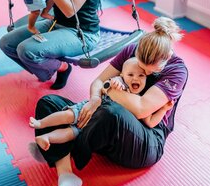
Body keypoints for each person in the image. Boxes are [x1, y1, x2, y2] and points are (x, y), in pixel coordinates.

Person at [31, 17, 188, 186]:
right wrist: (95, 99)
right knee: (48, 103)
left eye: (149, 71)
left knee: (110, 112)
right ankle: (66, 175)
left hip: (144, 140)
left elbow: (140, 110)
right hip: (106, 128)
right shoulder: (133, 49)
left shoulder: (177, 71)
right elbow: (97, 82)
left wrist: (107, 88)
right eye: (140, 66)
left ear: (166, 59)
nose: (143, 74)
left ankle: (60, 147)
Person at [29, 57, 173, 152]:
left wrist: (164, 109)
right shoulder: (122, 83)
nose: (135, 78)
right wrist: (116, 82)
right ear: (123, 76)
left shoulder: (141, 98)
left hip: (98, 123)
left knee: (72, 133)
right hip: (93, 109)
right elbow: (109, 83)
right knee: (69, 115)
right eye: (130, 75)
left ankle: (47, 138)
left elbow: (150, 121)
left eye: (141, 76)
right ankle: (41, 123)